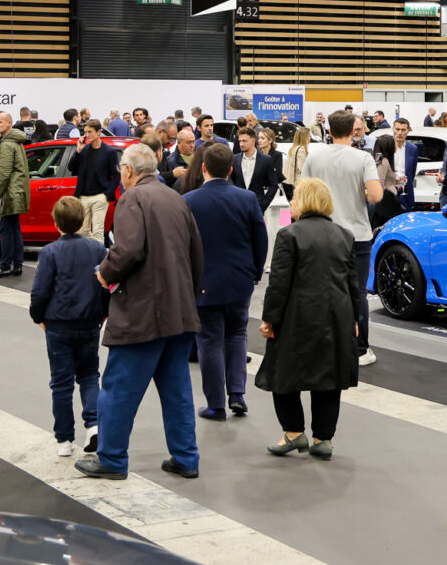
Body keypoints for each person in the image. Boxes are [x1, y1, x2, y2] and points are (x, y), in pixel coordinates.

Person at [75, 144, 203, 481]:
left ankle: (112, 459)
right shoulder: (176, 198)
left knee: (118, 388)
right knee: (177, 390)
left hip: (143, 312)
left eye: (121, 170)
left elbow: (127, 249)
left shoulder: (133, 199)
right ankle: (186, 457)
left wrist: (105, 272)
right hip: (178, 311)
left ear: (129, 171)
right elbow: (196, 253)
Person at [256, 177, 365, 461]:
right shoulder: (344, 235)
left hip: (298, 318)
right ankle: (323, 439)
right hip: (337, 316)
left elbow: (279, 284)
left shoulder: (288, 235)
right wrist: (355, 318)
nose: (291, 203)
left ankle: (293, 433)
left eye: (294, 198)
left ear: (304, 201)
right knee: (329, 376)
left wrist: (269, 319)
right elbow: (354, 283)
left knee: (283, 373)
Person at [184, 144, 267, 421]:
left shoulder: (189, 201)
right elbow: (260, 238)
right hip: (239, 280)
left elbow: (182, 244)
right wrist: (255, 271)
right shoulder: (247, 199)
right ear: (231, 170)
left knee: (208, 340)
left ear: (203, 168)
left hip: (204, 282)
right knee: (236, 334)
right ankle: (237, 394)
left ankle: (216, 405)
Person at [301, 110, 382, 366]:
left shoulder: (315, 157)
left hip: (321, 234)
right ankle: (359, 349)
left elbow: (303, 194)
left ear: (330, 130)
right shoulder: (363, 158)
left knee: (321, 289)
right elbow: (376, 196)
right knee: (356, 293)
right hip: (356, 236)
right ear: (353, 130)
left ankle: (323, 345)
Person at [30, 195, 109, 457]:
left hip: (58, 324)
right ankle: (95, 424)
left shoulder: (50, 252)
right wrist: (105, 312)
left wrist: (37, 316)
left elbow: (40, 290)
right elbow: (106, 284)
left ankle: (64, 439)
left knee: (61, 382)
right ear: (82, 219)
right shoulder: (98, 249)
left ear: (56, 223)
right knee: (89, 375)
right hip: (89, 322)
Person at [0, 111, 30, 278]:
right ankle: (17, 265)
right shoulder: (15, 141)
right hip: (16, 191)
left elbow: (4, 174)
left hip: (8, 194)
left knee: (6, 230)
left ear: (9, 123)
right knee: (14, 229)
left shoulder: (7, 144)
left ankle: (5, 266)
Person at [68, 119, 120, 242]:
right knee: (83, 230)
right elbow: (71, 168)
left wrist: (107, 194)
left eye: (90, 132)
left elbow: (116, 175)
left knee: (98, 230)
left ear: (99, 132)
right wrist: (78, 151)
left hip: (100, 196)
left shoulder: (109, 152)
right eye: (85, 132)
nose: (87, 135)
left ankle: (100, 260)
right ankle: (94, 252)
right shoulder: (84, 150)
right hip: (84, 196)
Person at [229, 128, 278, 221]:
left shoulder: (266, 159)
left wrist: (264, 204)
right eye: (240, 141)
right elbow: (230, 181)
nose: (241, 144)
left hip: (257, 206)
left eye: (244, 141)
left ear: (253, 141)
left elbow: (273, 185)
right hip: (238, 206)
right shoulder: (235, 159)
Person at [371, 134, 405, 229]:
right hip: (386, 202)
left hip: (386, 200)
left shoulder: (379, 159)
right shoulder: (384, 161)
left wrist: (396, 181)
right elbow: (380, 183)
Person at [391, 118, 419, 210]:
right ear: (393, 129)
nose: (400, 132)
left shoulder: (413, 149)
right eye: (397, 129)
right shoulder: (385, 146)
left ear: (408, 130)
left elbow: (412, 172)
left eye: (403, 130)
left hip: (405, 193)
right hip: (388, 191)